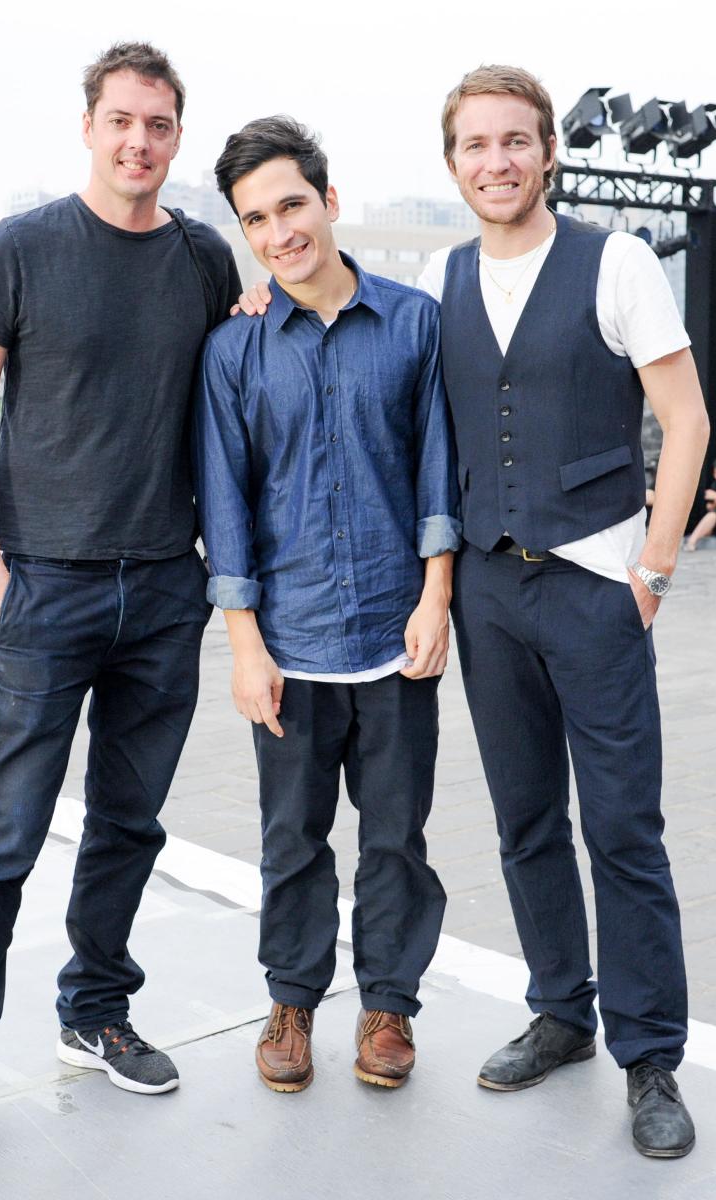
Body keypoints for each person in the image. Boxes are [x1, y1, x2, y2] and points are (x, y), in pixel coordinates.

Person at [0, 42, 240, 1166]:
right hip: (44, 587)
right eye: (121, 121)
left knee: (129, 826)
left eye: (159, 124)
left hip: (162, 589)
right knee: (0, 838)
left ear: (176, 137)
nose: (139, 142)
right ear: (89, 127)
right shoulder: (21, 249)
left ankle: (94, 1012)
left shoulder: (202, 258)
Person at [425, 65, 709, 1159]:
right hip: (491, 589)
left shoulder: (616, 260)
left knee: (624, 827)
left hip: (597, 585)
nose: (495, 161)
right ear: (452, 163)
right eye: (474, 145)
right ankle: (561, 1012)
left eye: (514, 141)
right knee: (525, 819)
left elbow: (682, 420)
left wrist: (653, 569)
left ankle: (651, 1057)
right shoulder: (443, 278)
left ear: (548, 152)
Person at [194, 117, 459, 1094]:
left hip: (397, 635)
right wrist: (243, 647)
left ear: (330, 200)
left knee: (396, 837)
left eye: (291, 205)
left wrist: (438, 598)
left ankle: (389, 1007)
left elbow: (439, 468)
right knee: (292, 840)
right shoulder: (235, 350)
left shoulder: (415, 324)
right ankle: (293, 1004)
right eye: (255, 219)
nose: (278, 232)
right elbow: (224, 501)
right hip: (289, 648)